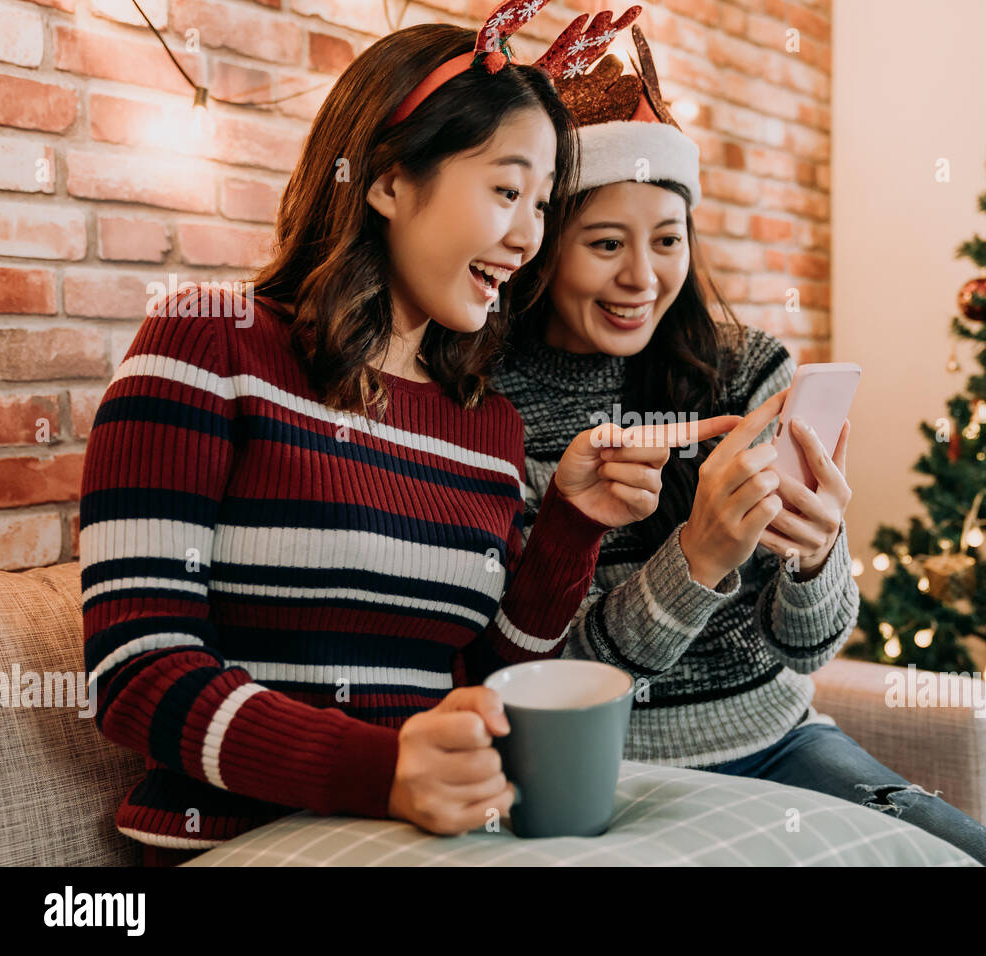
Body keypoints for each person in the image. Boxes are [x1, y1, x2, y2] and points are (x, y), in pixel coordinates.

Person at [78, 2, 736, 866]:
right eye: (506, 190)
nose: (528, 238)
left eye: (541, 204)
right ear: (386, 181)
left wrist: (572, 524)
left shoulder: (486, 423)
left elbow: (486, 677)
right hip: (246, 836)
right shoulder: (210, 341)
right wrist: (384, 771)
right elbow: (137, 668)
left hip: (432, 832)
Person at [493, 25, 986, 867]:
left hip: (783, 744)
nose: (643, 278)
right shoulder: (496, 404)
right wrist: (698, 557)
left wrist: (819, 558)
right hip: (612, 769)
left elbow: (811, 647)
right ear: (543, 250)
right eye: (606, 243)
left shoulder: (747, 370)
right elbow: (562, 676)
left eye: (667, 239)